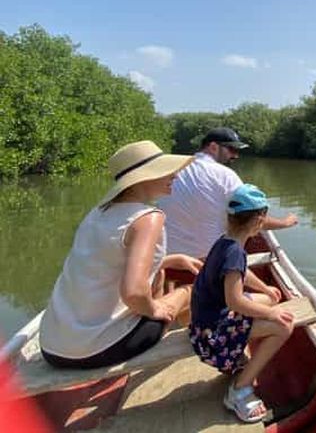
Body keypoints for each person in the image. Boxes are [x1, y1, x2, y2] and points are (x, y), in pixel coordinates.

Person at [39, 141, 200, 369]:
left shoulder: (97, 213)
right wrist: (155, 309)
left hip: (52, 347)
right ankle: (191, 351)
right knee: (192, 290)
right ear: (144, 177)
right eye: (167, 170)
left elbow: (104, 262)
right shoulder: (148, 218)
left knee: (160, 275)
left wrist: (171, 260)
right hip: (95, 350)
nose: (175, 175)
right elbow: (133, 292)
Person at [189, 184, 295, 423]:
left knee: (269, 298)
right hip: (211, 337)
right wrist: (271, 314)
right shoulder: (235, 252)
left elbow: (240, 274)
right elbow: (235, 301)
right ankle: (239, 390)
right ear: (260, 220)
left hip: (205, 322)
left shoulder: (225, 242)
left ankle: (238, 357)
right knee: (283, 326)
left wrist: (266, 289)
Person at [160, 126, 298, 259]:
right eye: (231, 149)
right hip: (207, 258)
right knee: (242, 227)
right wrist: (286, 222)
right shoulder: (225, 175)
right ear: (213, 147)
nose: (235, 155)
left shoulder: (172, 169)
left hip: (167, 256)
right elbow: (252, 219)